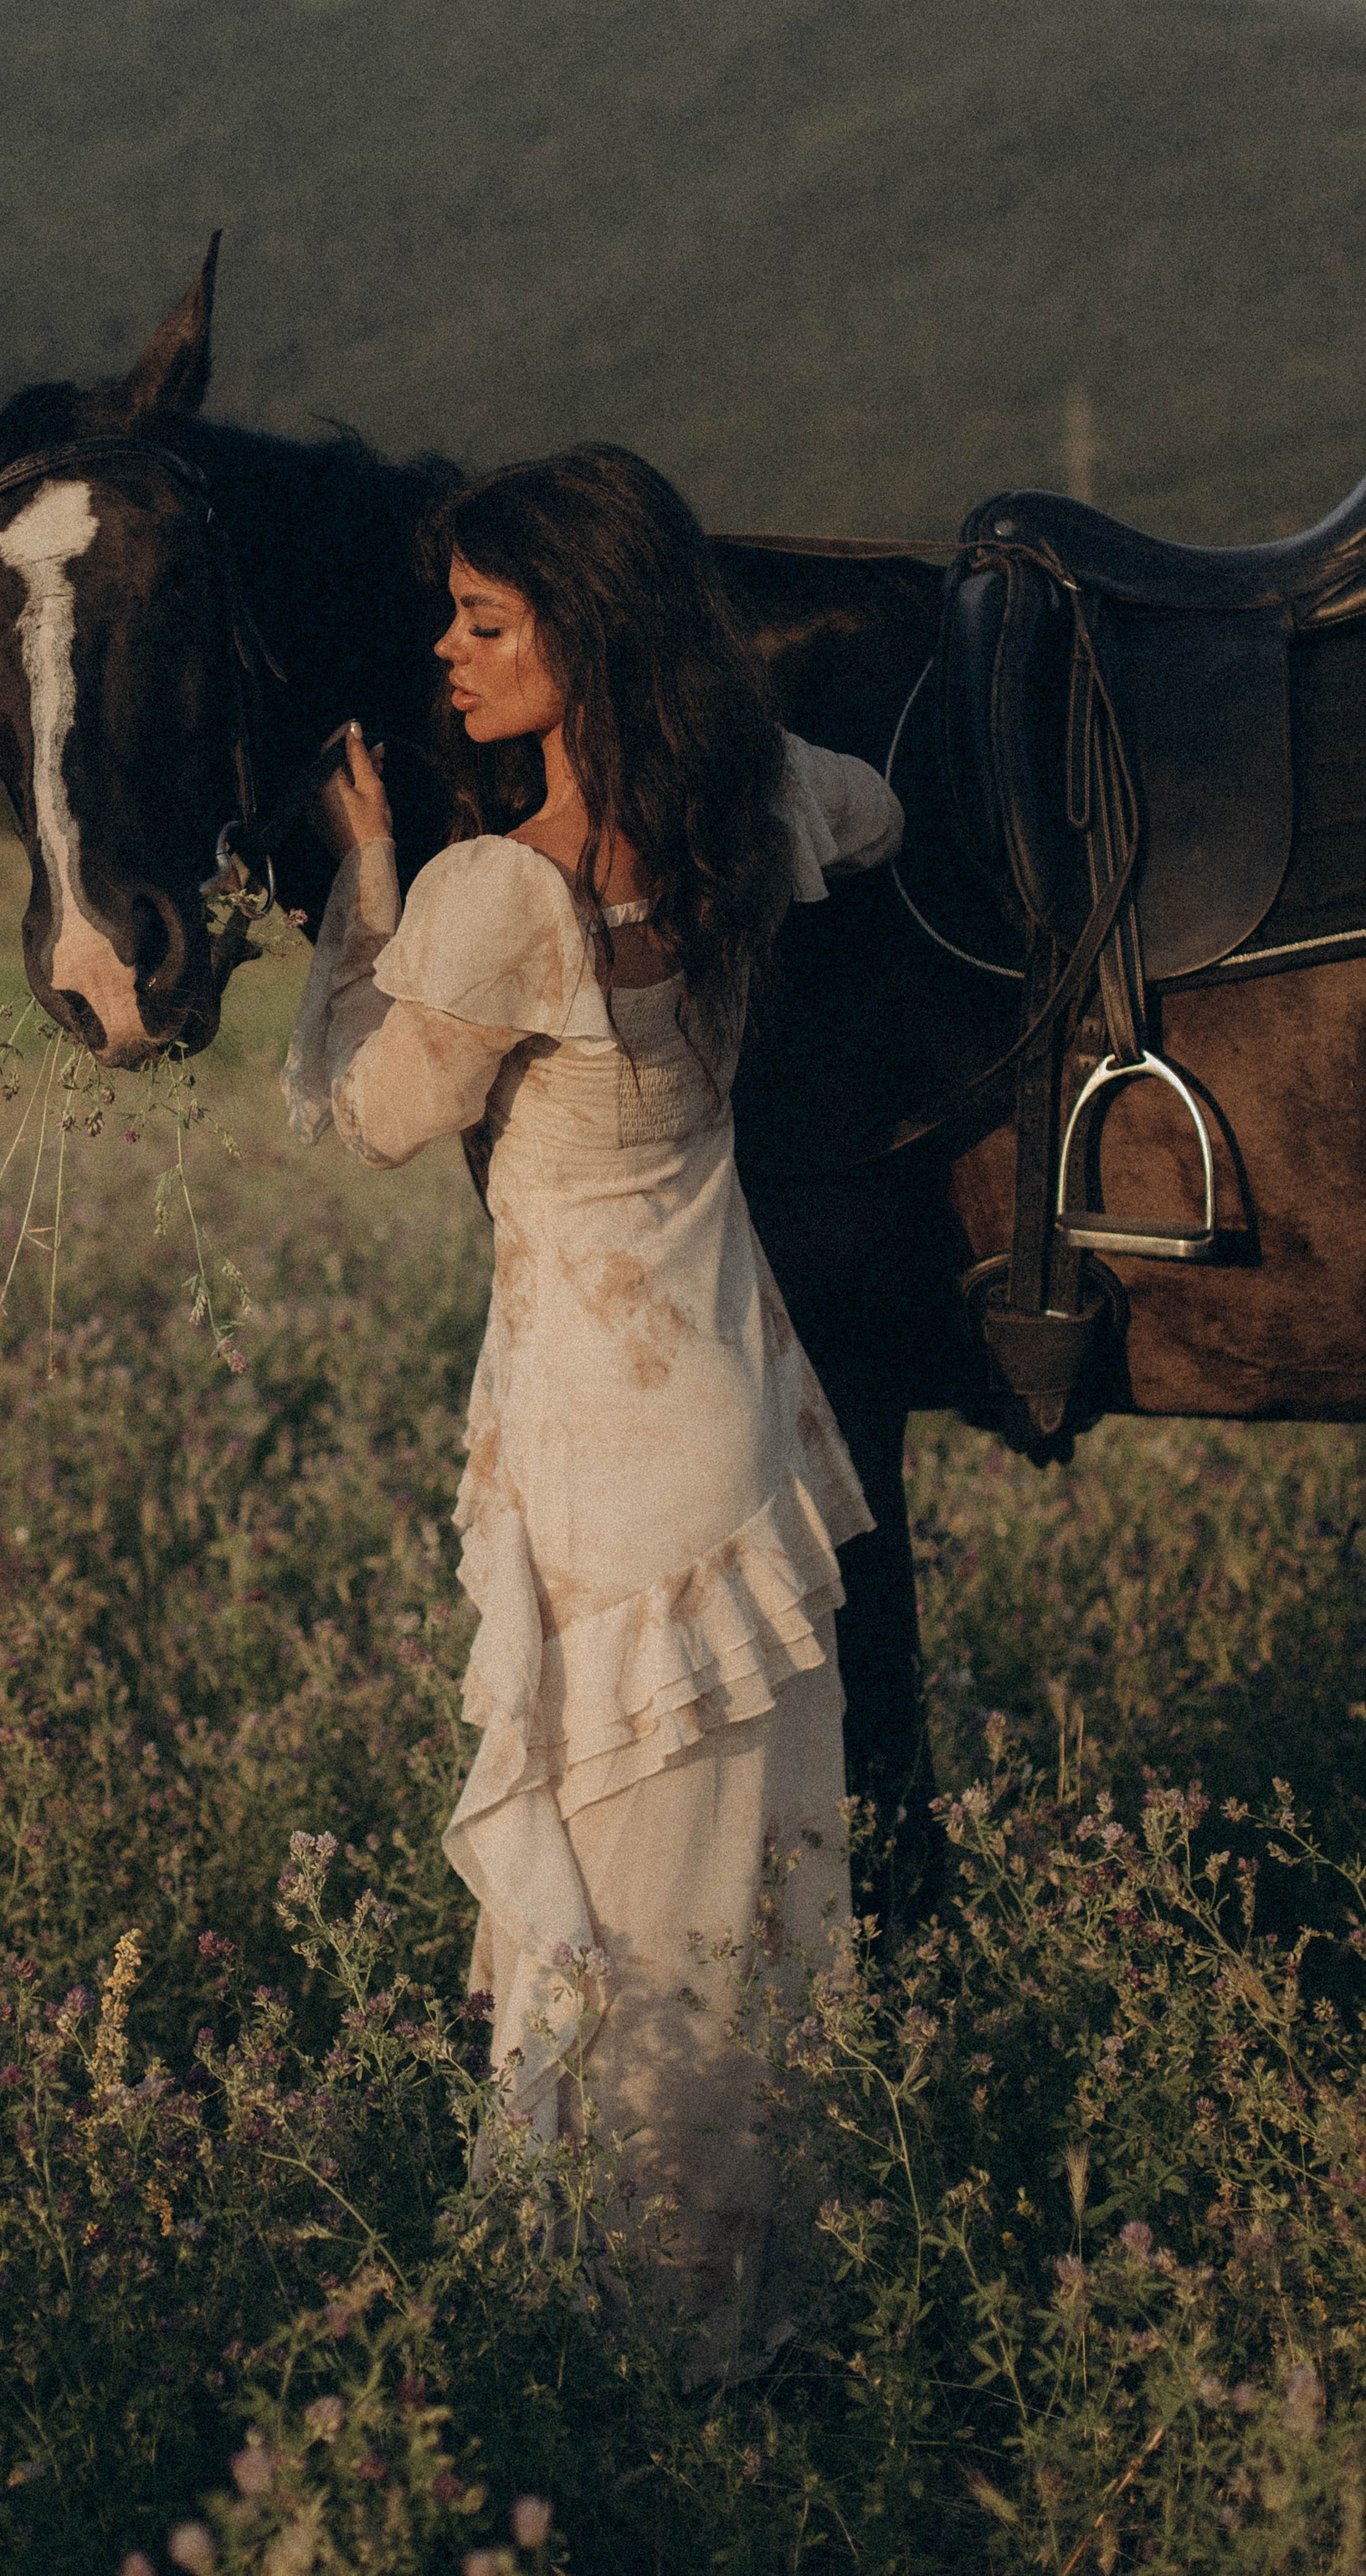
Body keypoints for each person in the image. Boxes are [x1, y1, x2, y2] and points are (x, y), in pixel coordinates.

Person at [281, 445, 903, 2360]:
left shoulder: (490, 896)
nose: (446, 659)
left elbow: (361, 1109)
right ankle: (742, 2312)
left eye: (485, 624)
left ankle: (622, 2344)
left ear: (588, 632)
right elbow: (872, 808)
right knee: (738, 1912)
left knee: (618, 1928)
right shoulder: (762, 814)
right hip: (742, 1417)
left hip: (599, 1455)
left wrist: (359, 876)